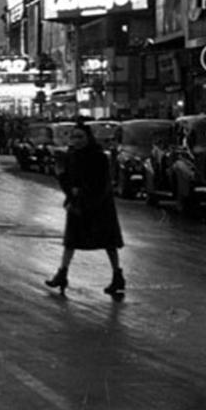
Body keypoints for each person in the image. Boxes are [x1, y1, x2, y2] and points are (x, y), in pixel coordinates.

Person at [45, 120, 125, 297]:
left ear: (89, 138)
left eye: (80, 136)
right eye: (74, 136)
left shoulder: (99, 157)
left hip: (99, 205)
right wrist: (61, 176)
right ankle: (62, 273)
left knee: (108, 243)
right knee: (71, 241)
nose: (77, 140)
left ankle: (117, 276)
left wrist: (83, 194)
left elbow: (102, 183)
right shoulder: (71, 156)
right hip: (78, 204)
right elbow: (68, 183)